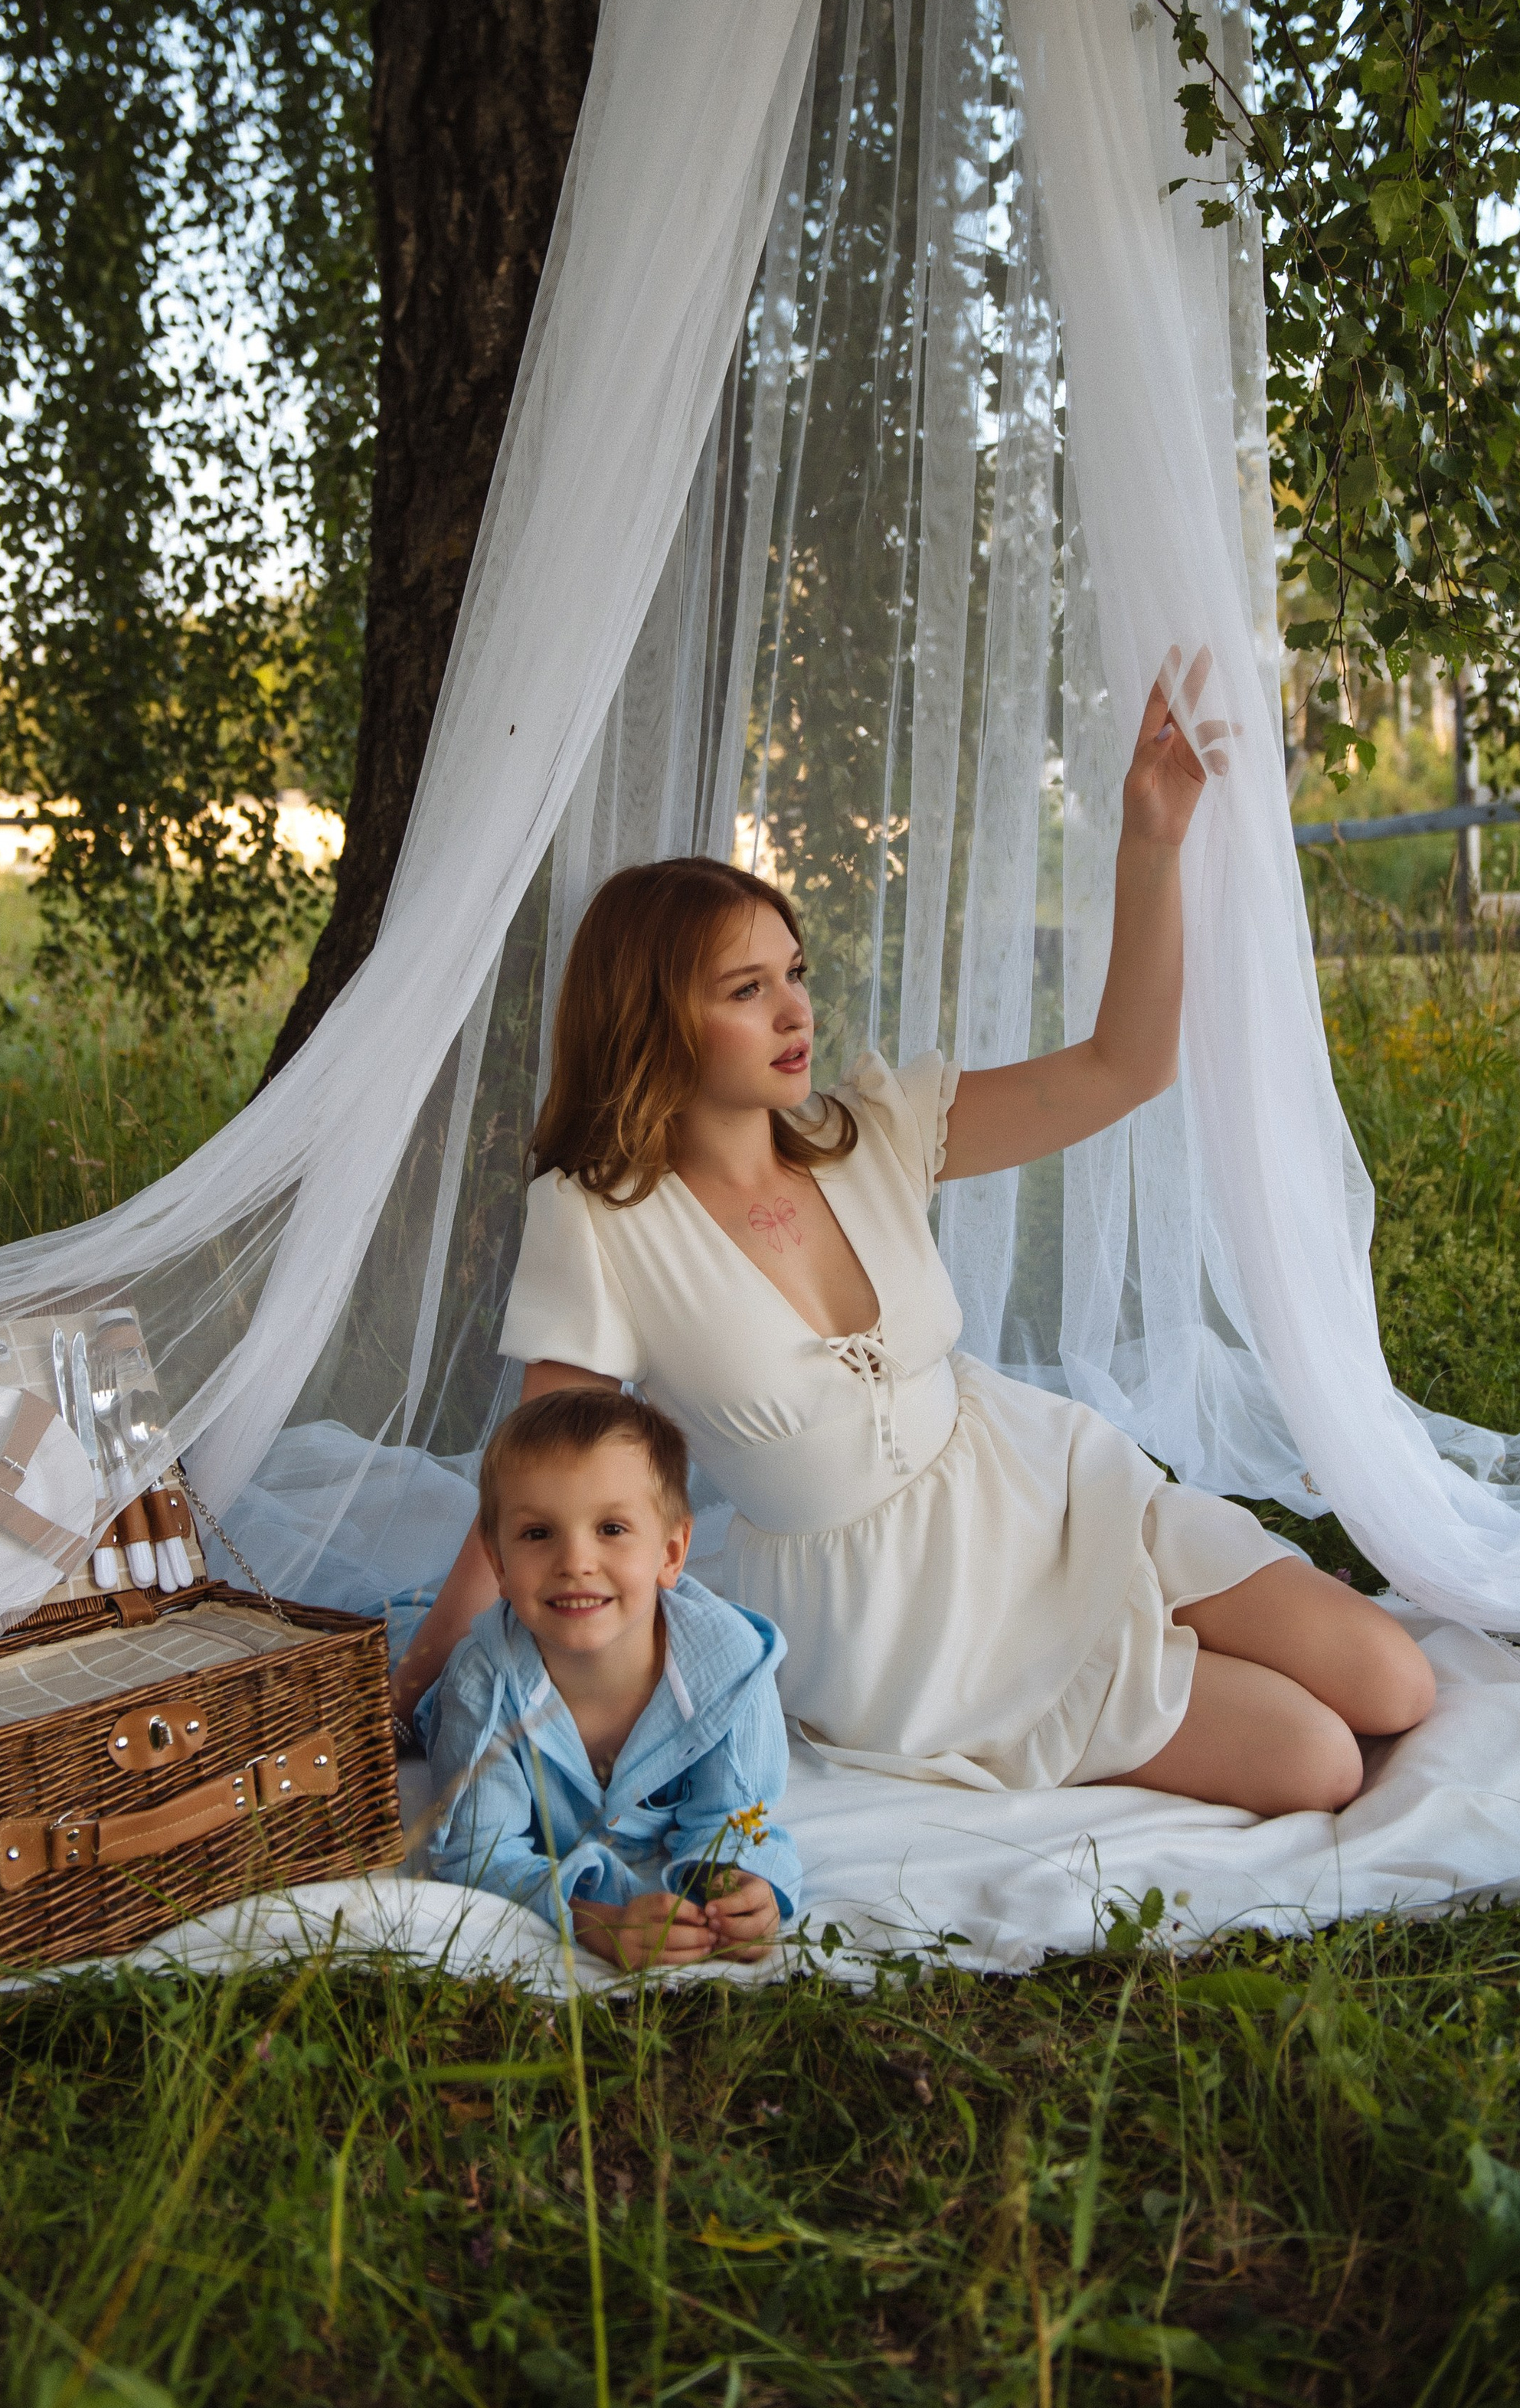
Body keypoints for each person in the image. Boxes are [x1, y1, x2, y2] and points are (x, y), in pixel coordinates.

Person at [397, 650, 1436, 1818]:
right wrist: (440, 1651)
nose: (796, 1009)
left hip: (1040, 1495)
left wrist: (1150, 841)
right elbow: (545, 1461)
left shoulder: (870, 1132)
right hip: (904, 1625)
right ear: (651, 1019)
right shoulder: (599, 1218)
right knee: (1322, 1761)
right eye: (746, 990)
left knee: (1393, 1680)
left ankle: (1174, 1621)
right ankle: (1137, 1679)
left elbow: (1126, 1064)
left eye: (794, 972)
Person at [419, 1387, 800, 1969]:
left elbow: (736, 1814)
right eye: (538, 1533)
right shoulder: (484, 1682)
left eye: (612, 1528)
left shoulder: (730, 1669)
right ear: (498, 1564)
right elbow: (478, 1852)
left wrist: (741, 1890)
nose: (576, 1561)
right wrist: (596, 1921)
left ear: (671, 1552)